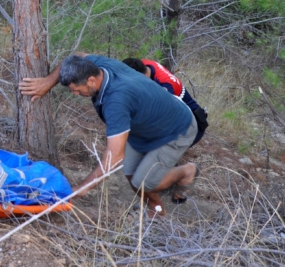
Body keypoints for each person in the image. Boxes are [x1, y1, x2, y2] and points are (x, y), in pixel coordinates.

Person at [19, 54, 199, 217]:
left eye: (76, 89)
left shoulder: (116, 101)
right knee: (131, 173)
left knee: (144, 182)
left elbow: (115, 156)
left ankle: (186, 171)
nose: (75, 93)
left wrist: (84, 187)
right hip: (145, 125)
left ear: (90, 80)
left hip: (175, 129)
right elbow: (76, 56)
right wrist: (47, 82)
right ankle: (156, 210)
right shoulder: (96, 66)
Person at [122, 58, 208, 146]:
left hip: (192, 127)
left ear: (137, 76)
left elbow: (153, 116)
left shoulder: (165, 87)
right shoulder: (143, 64)